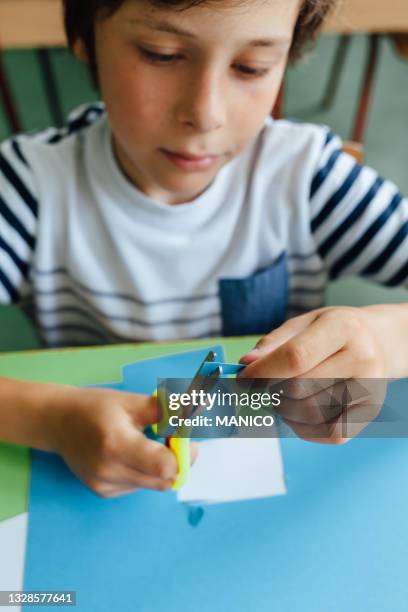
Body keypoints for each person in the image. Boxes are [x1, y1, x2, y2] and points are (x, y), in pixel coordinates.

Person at [0, 0, 407, 497]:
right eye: (162, 53)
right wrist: (50, 418)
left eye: (251, 67)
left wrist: (384, 340)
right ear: (85, 39)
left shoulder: (307, 176)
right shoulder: (26, 189)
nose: (205, 113)